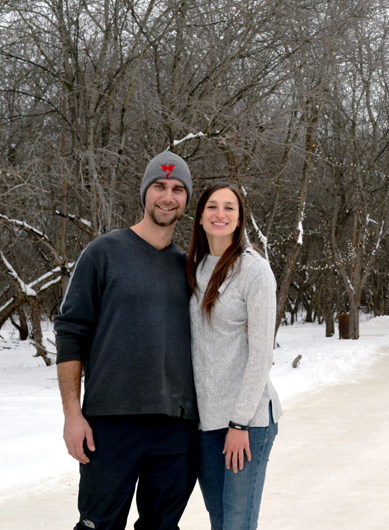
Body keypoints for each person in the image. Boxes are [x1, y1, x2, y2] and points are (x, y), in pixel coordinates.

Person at [55, 151, 198, 530]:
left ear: (187, 199)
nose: (168, 196)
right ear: (144, 193)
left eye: (178, 189)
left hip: (176, 426)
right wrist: (72, 414)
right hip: (110, 425)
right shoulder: (102, 254)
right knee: (98, 525)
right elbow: (70, 333)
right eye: (159, 186)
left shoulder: (191, 268)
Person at [187, 182, 282, 530]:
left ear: (240, 219)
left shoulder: (254, 271)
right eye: (212, 206)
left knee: (237, 524)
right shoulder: (193, 268)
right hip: (206, 422)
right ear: (199, 217)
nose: (220, 214)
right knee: (220, 521)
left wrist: (240, 423)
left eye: (229, 207)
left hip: (247, 422)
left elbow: (261, 354)